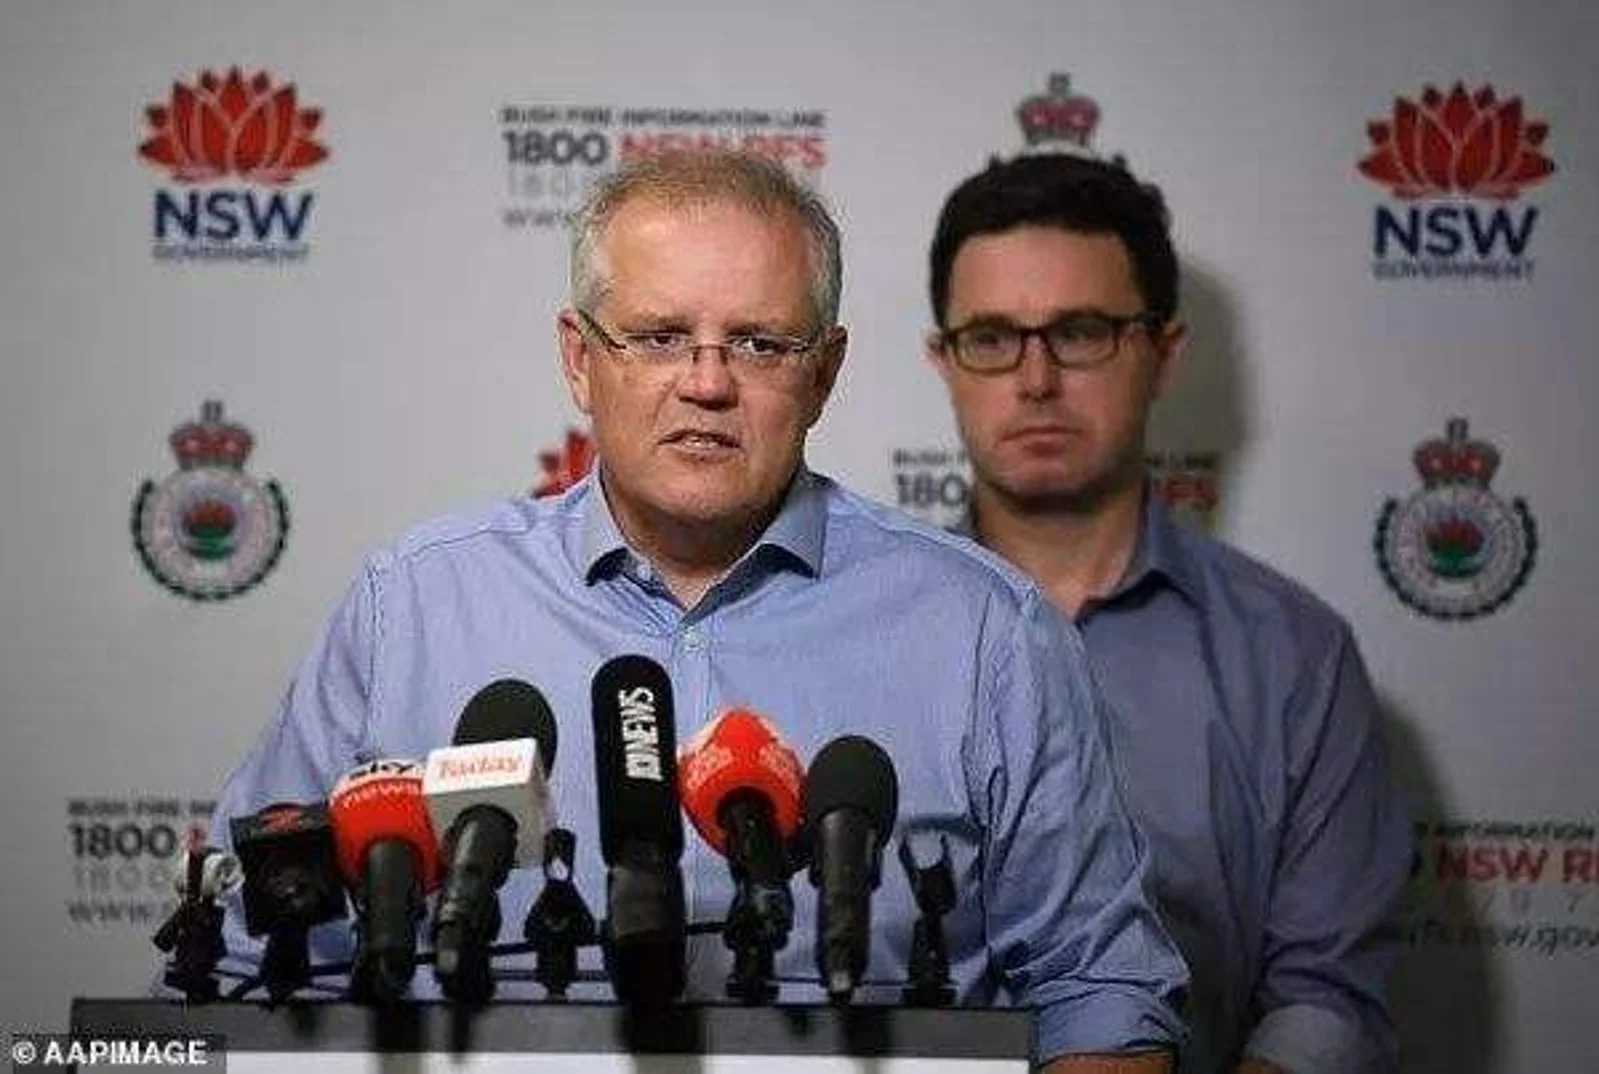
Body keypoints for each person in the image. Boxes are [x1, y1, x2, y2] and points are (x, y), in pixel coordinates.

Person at [204, 150, 1188, 1071]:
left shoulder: (987, 633)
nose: (707, 384)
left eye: (759, 343)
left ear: (824, 372)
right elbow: (246, 969)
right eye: (659, 337)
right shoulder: (413, 607)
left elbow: (1100, 996)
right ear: (579, 358)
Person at [923, 152, 1411, 1074]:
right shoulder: (857, 633)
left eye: (1080, 332)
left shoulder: (1293, 658)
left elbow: (1325, 1004)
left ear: (1163, 353)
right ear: (943, 362)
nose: (1035, 379)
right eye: (990, 337)